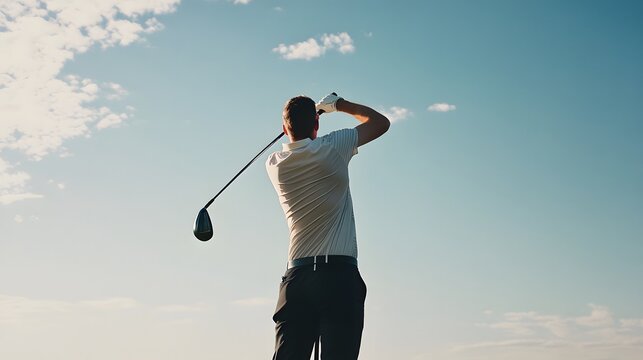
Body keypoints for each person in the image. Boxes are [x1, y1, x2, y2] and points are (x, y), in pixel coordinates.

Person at [265, 93, 390, 360]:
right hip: (338, 277)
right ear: (317, 125)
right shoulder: (333, 147)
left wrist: (302, 124)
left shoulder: (274, 164)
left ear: (285, 129)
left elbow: (299, 140)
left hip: (296, 280)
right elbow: (380, 123)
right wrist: (337, 105)